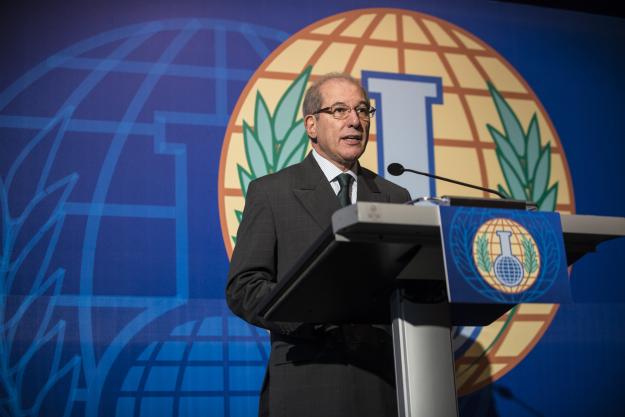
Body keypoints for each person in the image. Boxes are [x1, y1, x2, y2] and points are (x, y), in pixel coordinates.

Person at [226, 73, 411, 417]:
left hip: (380, 383)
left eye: (362, 110)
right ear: (311, 125)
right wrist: (306, 314)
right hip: (307, 377)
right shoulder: (273, 192)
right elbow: (244, 287)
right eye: (339, 110)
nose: (355, 121)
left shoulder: (395, 197)